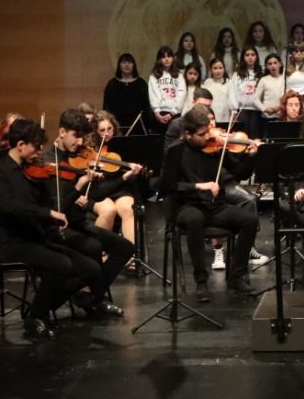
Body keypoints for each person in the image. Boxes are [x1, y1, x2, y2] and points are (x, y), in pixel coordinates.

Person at [0, 117, 100, 340]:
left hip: (38, 237)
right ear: (21, 145)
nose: (40, 152)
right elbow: (10, 207)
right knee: (61, 265)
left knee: (91, 269)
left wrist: (74, 191)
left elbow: (51, 206)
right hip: (11, 242)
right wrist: (47, 214)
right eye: (36, 146)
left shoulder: (36, 171)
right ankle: (37, 315)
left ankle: (38, 309)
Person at [160, 105, 263, 302]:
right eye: (202, 133)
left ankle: (236, 276)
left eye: (209, 130)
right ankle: (201, 281)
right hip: (186, 206)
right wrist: (199, 186)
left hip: (215, 206)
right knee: (194, 219)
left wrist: (251, 157)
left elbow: (241, 173)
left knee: (249, 220)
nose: (209, 136)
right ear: (187, 134)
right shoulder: (175, 152)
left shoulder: (217, 148)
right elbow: (169, 187)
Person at [44, 108, 133, 316]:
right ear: (62, 132)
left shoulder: (79, 158)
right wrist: (78, 189)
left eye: (83, 137)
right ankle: (88, 297)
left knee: (125, 248)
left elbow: (98, 195)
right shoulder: (49, 161)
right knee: (93, 246)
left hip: (80, 223)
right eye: (76, 136)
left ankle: (92, 295)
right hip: (61, 228)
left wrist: (123, 178)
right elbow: (58, 209)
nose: (80, 143)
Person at [87, 112, 147, 254]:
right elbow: (98, 190)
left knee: (128, 208)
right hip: (98, 191)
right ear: (95, 132)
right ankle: (100, 253)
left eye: (110, 129)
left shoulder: (122, 147)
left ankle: (132, 254)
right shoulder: (90, 150)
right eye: (102, 130)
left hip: (119, 190)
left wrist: (133, 170)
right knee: (109, 210)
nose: (107, 134)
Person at [102, 53, 148, 132]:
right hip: (117, 125)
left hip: (138, 125)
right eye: (123, 62)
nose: (127, 65)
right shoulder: (112, 84)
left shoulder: (141, 83)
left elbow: (147, 106)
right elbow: (106, 107)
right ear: (119, 66)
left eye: (129, 62)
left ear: (134, 65)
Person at [230, 46, 266, 136]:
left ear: (256, 57)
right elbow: (232, 92)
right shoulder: (237, 74)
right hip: (242, 110)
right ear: (243, 57)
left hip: (257, 110)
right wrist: (234, 110)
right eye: (247, 55)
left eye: (253, 55)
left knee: (255, 136)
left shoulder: (261, 73)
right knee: (243, 136)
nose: (250, 57)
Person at [148, 46, 183, 132]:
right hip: (159, 114)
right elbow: (153, 94)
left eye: (169, 56)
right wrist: (157, 113)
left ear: (173, 58)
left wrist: (172, 113)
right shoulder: (154, 76)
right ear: (159, 60)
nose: (166, 59)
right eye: (163, 57)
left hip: (175, 113)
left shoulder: (179, 75)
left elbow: (181, 95)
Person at [257, 52, 287, 123]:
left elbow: (287, 98)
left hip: (281, 115)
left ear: (280, 64)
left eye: (275, 63)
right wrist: (265, 109)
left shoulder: (285, 79)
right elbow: (255, 99)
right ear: (267, 66)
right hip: (267, 116)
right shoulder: (264, 80)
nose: (273, 66)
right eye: (270, 64)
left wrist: (280, 107)